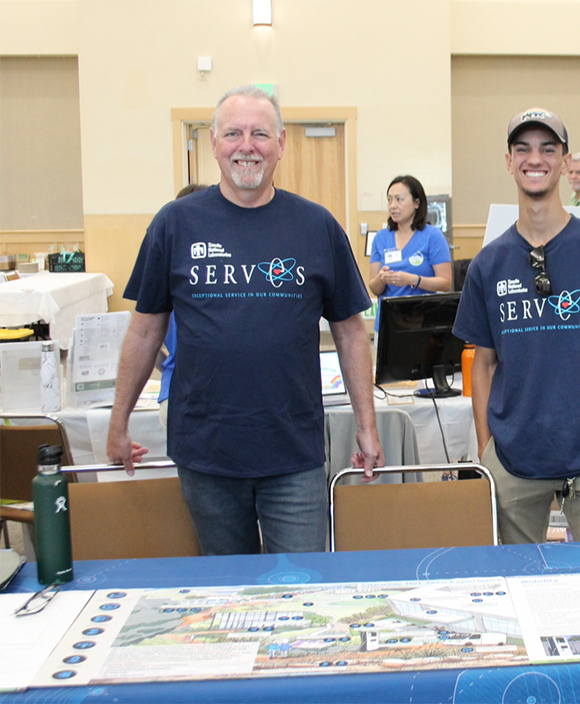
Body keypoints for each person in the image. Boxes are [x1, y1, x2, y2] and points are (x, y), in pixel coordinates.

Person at [107, 85, 384, 555]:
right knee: (226, 598)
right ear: (214, 143)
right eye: (233, 133)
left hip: (293, 454)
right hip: (206, 452)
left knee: (303, 589)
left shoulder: (316, 226)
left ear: (281, 146)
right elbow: (145, 329)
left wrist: (367, 423)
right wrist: (119, 421)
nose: (247, 145)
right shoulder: (175, 224)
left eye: (260, 133)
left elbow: (350, 332)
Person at [453, 107, 580, 544]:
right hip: (512, 454)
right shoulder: (489, 263)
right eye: (522, 149)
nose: (534, 158)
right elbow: (482, 365)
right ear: (508, 162)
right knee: (514, 584)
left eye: (547, 148)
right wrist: (488, 449)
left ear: (564, 161)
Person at [123, 183, 210, 429]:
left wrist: (169, 367)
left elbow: (148, 342)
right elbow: (144, 337)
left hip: (176, 393)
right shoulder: (191, 275)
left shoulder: (176, 273)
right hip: (188, 398)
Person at [367, 175, 452, 338]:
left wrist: (413, 280)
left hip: (423, 321)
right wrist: (381, 279)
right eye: (389, 200)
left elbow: (445, 283)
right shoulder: (381, 238)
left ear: (416, 203)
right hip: (388, 324)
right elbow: (374, 287)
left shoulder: (433, 236)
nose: (393, 206)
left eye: (399, 200)